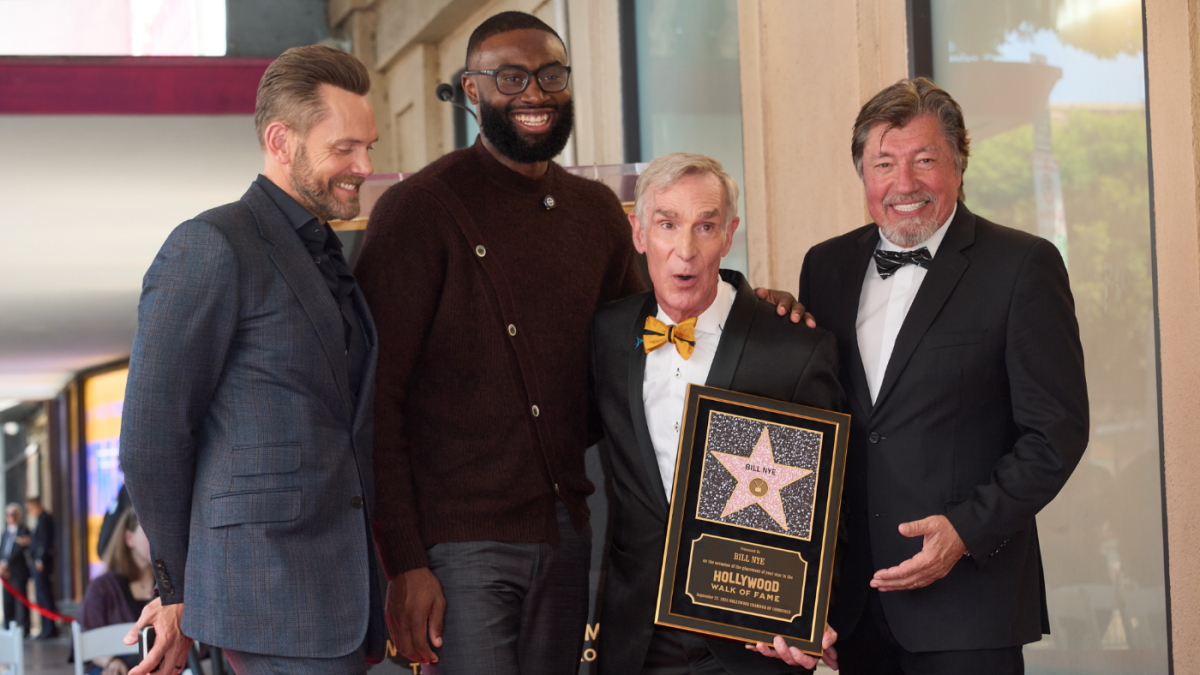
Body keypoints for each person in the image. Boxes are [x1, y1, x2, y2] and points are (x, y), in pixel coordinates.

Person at [356, 11, 803, 673]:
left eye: (551, 74)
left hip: (567, 537)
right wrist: (405, 563)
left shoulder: (595, 212)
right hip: (461, 551)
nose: (535, 92)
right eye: (511, 77)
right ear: (473, 92)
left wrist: (752, 306)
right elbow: (376, 404)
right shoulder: (418, 210)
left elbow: (654, 320)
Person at [796, 77, 1089, 674]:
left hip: (969, 607)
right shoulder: (824, 267)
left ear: (959, 165)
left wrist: (964, 530)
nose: (904, 184)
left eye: (924, 160)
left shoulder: (1022, 266)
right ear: (863, 175)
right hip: (852, 607)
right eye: (884, 163)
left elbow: (1055, 432)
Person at [119, 44, 385, 675]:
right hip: (267, 591)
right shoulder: (210, 245)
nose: (365, 165)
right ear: (280, 139)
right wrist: (178, 589)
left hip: (339, 591)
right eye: (345, 147)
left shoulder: (325, 252)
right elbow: (152, 438)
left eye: (369, 146)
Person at [589, 153, 843, 675]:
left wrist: (813, 611)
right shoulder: (607, 335)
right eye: (667, 225)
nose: (685, 250)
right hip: (636, 637)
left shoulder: (794, 348)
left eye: (705, 226)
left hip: (750, 642)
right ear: (638, 233)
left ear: (729, 236)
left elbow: (830, 501)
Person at [81, 508, 155, 675]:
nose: (159, 541)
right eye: (149, 534)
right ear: (129, 538)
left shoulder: (170, 584)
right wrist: (111, 661)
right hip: (118, 668)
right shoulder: (102, 587)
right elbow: (87, 637)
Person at [25, 497, 57, 638]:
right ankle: (46, 628)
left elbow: (44, 542)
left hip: (41, 565)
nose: (29, 512)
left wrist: (39, 560)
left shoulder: (44, 519)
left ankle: (49, 629)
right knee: (41, 595)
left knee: (44, 595)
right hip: (39, 563)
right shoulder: (40, 519)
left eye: (30, 508)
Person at [0, 504, 29, 636]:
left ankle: (23, 628)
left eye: (14, 515)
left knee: (21, 601)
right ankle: (8, 627)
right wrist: (2, 566)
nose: (11, 517)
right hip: (6, 573)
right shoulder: (5, 533)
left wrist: (8, 564)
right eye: (9, 515)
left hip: (18, 572)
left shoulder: (24, 531)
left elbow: (21, 551)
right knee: (7, 601)